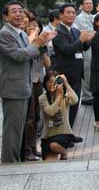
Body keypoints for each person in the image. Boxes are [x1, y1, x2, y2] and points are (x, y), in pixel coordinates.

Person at [0, 0, 55, 163]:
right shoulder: (5, 34)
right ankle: (9, 163)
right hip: (12, 87)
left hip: (25, 85)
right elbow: (19, 56)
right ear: (5, 17)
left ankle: (15, 161)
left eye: (20, 11)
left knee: (19, 129)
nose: (18, 14)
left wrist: (42, 43)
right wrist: (36, 44)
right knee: (12, 130)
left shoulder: (22, 33)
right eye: (14, 11)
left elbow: (32, 53)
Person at [52, 4, 94, 132]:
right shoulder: (58, 32)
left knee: (75, 104)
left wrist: (87, 41)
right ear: (61, 15)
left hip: (77, 74)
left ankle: (70, 132)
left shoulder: (75, 30)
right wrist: (81, 41)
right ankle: (62, 135)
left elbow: (82, 48)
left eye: (73, 13)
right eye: (68, 12)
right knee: (63, 107)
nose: (71, 15)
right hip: (64, 75)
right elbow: (66, 49)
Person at [23, 15, 51, 161]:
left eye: (36, 27)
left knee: (37, 117)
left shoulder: (40, 43)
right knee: (29, 119)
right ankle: (27, 150)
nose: (34, 29)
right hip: (28, 82)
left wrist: (41, 47)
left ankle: (34, 147)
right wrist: (33, 43)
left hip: (39, 81)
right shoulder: (24, 42)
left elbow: (47, 64)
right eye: (31, 27)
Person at [39, 71, 78, 160]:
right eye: (49, 82)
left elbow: (75, 100)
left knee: (54, 145)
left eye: (55, 82)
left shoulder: (65, 95)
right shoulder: (42, 98)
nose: (52, 84)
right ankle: (59, 152)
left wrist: (66, 83)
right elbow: (50, 111)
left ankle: (64, 152)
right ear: (45, 83)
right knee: (48, 163)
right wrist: (58, 97)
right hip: (48, 136)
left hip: (64, 133)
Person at [73, 0, 95, 106]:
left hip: (93, 46)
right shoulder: (80, 18)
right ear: (81, 6)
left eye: (91, 3)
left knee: (92, 70)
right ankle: (86, 96)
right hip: (86, 47)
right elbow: (88, 33)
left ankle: (91, 94)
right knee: (87, 70)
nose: (89, 5)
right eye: (86, 4)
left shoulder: (92, 17)